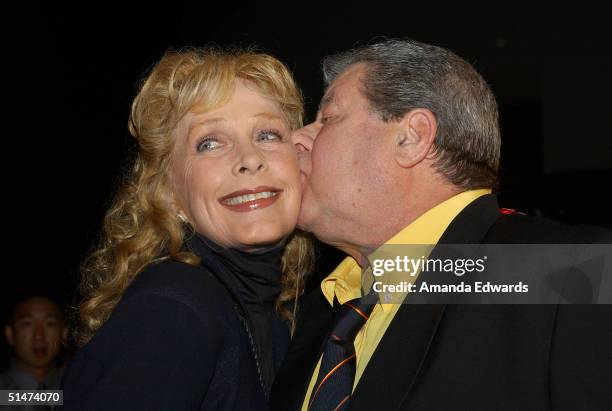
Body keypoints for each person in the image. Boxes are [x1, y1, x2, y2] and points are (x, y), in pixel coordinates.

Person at [271, 39, 612, 410]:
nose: (297, 138)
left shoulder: (574, 273)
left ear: (412, 137)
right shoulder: (315, 312)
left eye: (328, 117)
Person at [59, 47, 312, 411]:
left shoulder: (276, 314)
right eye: (210, 143)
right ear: (171, 194)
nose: (249, 158)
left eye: (268, 135)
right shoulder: (172, 309)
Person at [1, 296, 67, 395]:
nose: (39, 336)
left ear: (64, 333)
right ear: (10, 334)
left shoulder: (79, 390)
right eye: (27, 323)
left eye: (50, 323)